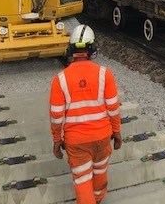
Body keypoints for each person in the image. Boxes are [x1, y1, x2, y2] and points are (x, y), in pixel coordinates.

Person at [50, 25, 122, 203]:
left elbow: (56, 115)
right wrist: (117, 132)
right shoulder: (105, 74)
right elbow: (113, 108)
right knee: (100, 171)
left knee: (82, 180)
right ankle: (98, 198)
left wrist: (57, 140)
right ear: (92, 49)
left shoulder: (60, 79)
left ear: (71, 49)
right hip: (102, 137)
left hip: (76, 142)